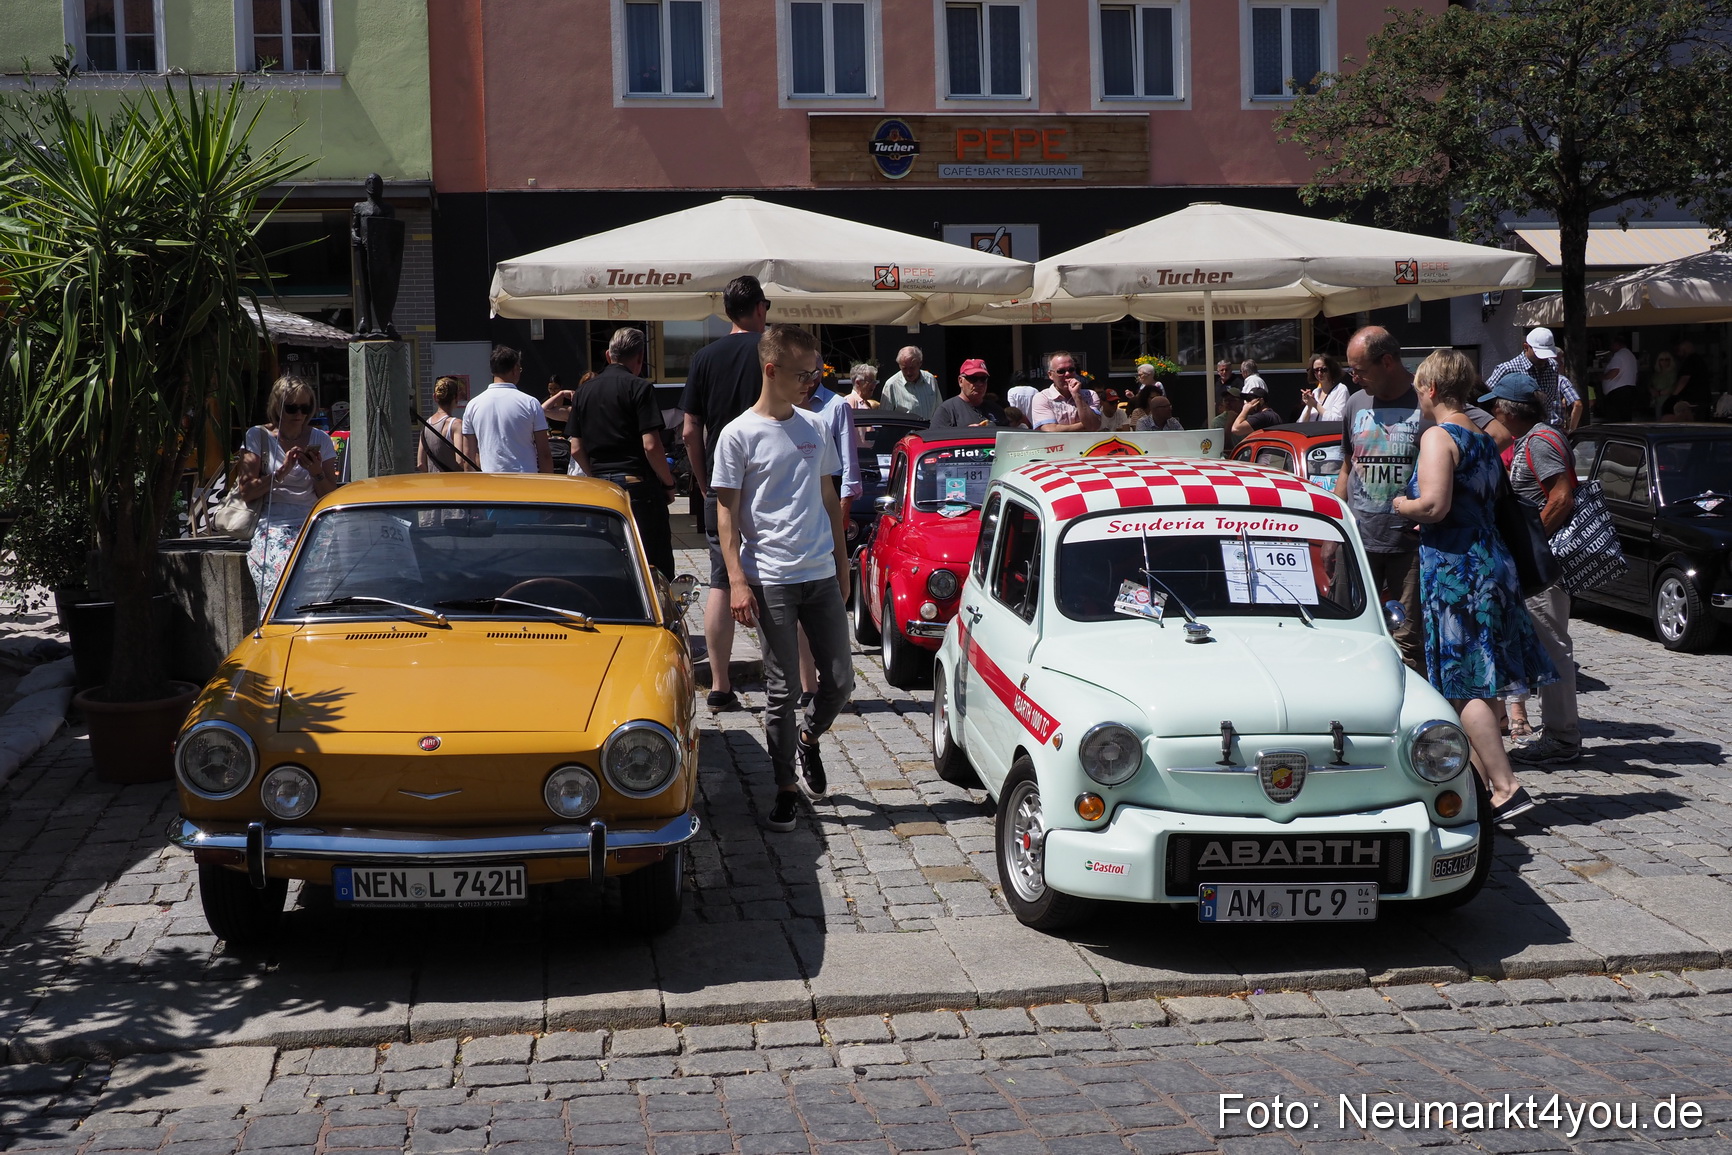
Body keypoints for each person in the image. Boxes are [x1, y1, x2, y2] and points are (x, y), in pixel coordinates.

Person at [1390, 350, 1554, 822]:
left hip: (1458, 570)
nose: (1417, 394)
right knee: (1474, 681)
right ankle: (1482, 789)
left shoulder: (1438, 436)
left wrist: (1404, 504)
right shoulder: (1483, 437)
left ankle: (1506, 788)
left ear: (1432, 389)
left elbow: (1435, 506)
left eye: (1420, 386)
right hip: (1491, 561)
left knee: (1465, 685)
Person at [713, 325, 855, 833]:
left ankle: (809, 740)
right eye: (802, 374)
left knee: (840, 681)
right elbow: (726, 514)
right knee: (781, 689)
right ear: (771, 370)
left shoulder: (816, 426)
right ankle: (785, 789)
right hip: (769, 577)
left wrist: (842, 567)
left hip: (819, 573)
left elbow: (829, 500)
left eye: (815, 374)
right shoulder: (738, 434)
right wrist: (736, 579)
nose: (810, 383)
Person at [1481, 372, 1581, 766]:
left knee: (1553, 648)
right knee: (1546, 645)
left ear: (1508, 409)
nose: (1491, 412)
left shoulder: (1539, 441)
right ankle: (1557, 732)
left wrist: (1530, 544)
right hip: (1542, 560)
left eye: (1495, 406)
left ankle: (1562, 737)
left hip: (1544, 564)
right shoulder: (1537, 437)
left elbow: (1561, 498)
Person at [681, 275, 771, 712]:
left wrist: (702, 482)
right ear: (758, 309)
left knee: (721, 578)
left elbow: (689, 430)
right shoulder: (771, 353)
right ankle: (790, 681)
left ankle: (719, 685)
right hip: (771, 480)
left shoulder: (703, 357)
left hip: (723, 482)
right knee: (778, 575)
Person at [1336, 326, 1427, 672]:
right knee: (1348, 628)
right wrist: (1336, 525)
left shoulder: (1425, 400)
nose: (1354, 378)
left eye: (1359, 369)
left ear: (1387, 362)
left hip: (1409, 542)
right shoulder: (1355, 403)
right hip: (1360, 539)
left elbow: (1492, 433)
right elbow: (1348, 464)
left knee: (1408, 637)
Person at [567, 327, 678, 580]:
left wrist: (596, 474)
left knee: (609, 561)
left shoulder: (584, 391)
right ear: (640, 358)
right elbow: (651, 445)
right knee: (653, 562)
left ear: (608, 355)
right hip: (638, 487)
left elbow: (575, 448)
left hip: (600, 487)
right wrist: (668, 483)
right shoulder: (639, 388)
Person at [236, 376, 341, 614]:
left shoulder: (320, 439)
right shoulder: (258, 436)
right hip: (273, 522)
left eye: (305, 408)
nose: (299, 414)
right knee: (281, 570)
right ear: (277, 406)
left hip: (311, 522)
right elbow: (246, 491)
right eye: (291, 407)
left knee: (324, 577)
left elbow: (330, 495)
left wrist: (316, 472)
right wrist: (281, 472)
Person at [462, 345, 553, 473]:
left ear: (492, 371)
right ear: (515, 369)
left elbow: (468, 457)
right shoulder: (531, 403)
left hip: (490, 482)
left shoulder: (473, 405)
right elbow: (544, 453)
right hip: (526, 481)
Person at [1486, 327, 1582, 432]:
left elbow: (1550, 402)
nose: (1543, 359)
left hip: (1543, 429)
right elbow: (1485, 398)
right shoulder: (1507, 369)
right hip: (1514, 432)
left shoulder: (1553, 367)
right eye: (1539, 354)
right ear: (1526, 347)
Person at [930, 359, 1010, 429]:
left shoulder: (996, 410)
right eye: (973, 378)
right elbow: (936, 440)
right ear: (960, 381)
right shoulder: (947, 411)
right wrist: (966, 433)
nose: (979, 384)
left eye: (983, 379)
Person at [1031, 351, 1100, 431]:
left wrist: (1077, 396)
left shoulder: (1090, 395)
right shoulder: (1042, 398)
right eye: (1061, 371)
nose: (1067, 374)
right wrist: (1084, 425)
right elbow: (1050, 430)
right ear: (1050, 375)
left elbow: (1093, 426)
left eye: (1071, 370)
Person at [417, 375, 466, 473]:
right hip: (454, 485)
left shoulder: (426, 425)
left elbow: (420, 464)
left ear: (435, 397)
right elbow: (460, 460)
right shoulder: (455, 425)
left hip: (434, 485)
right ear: (456, 398)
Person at [881, 346, 940, 419]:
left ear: (920, 363)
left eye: (912, 368)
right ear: (899, 366)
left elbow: (939, 410)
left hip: (929, 429)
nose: (908, 372)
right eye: (904, 368)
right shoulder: (891, 385)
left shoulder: (930, 380)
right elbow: (884, 418)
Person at [1597, 334, 1640, 423]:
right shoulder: (1630, 355)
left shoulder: (1619, 355)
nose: (1611, 347)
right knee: (1625, 418)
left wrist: (1602, 377)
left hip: (1618, 393)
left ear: (1617, 344)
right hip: (1629, 390)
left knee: (1616, 419)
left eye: (1612, 344)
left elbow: (1615, 371)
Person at [1300, 353, 1350, 422]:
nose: (1319, 373)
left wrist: (1315, 404)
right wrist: (1309, 406)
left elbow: (1337, 420)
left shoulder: (1341, 390)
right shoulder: (1315, 392)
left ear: (1331, 369)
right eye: (1316, 370)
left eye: (1324, 370)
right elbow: (1302, 423)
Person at [1672, 339, 1712, 418]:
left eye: (1680, 350)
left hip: (1694, 400)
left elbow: (1684, 379)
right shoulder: (1698, 360)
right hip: (1702, 399)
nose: (1678, 353)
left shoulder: (1690, 360)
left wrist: (1674, 395)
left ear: (1685, 349)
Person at [543, 374, 572, 474]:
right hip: (551, 435)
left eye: (556, 388)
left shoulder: (568, 402)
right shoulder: (547, 402)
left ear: (561, 388)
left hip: (566, 435)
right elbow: (542, 417)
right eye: (550, 388)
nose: (553, 391)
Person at [1648, 350, 1678, 420]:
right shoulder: (1656, 374)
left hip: (1668, 401)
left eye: (1667, 359)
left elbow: (1673, 387)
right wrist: (1652, 390)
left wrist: (1659, 392)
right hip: (1656, 401)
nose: (1664, 362)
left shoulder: (1673, 373)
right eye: (1661, 359)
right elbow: (1650, 384)